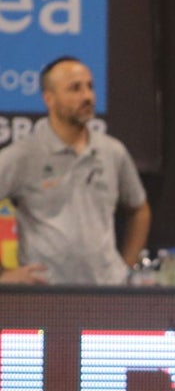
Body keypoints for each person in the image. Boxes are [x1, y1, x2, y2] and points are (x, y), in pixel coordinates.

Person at [0, 56, 151, 285]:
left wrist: (126, 267)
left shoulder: (112, 151)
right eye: (75, 88)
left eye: (90, 87)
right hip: (45, 291)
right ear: (49, 98)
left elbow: (139, 209)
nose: (87, 96)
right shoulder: (24, 154)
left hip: (106, 291)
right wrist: (4, 275)